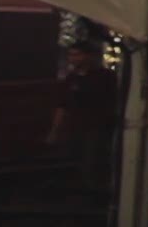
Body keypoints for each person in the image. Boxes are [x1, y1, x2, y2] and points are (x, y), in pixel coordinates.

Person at [50, 40, 119, 181]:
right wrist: (55, 130)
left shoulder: (104, 77)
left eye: (77, 55)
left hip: (96, 127)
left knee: (92, 163)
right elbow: (63, 105)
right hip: (75, 127)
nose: (73, 58)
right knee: (73, 162)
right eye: (71, 55)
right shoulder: (71, 78)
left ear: (89, 56)